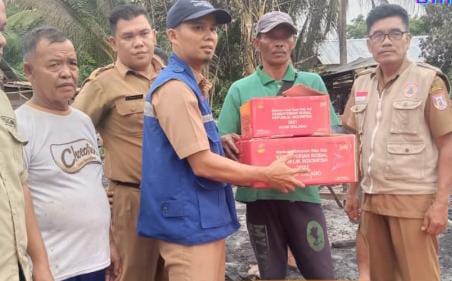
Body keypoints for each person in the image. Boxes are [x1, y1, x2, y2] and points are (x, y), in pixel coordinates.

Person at [138, 1, 307, 280]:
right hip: (188, 224)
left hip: (202, 219)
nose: (209, 35)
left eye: (213, 29)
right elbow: (202, 164)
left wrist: (221, 139)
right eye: (197, 27)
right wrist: (266, 174)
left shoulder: (193, 85)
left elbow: (193, 144)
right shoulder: (176, 89)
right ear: (172, 35)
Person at [218, 11, 338, 280]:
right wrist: (225, 140)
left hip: (304, 195)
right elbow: (223, 137)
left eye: (286, 36)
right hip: (261, 200)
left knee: (322, 273)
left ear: (293, 42)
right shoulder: (240, 89)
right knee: (272, 274)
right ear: (256, 41)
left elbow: (331, 133)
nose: (280, 42)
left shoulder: (312, 82)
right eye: (272, 36)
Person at [342, 4, 452, 281]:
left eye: (394, 33)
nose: (386, 41)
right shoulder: (361, 84)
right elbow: (353, 142)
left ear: (408, 38)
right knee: (380, 275)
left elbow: (447, 144)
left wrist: (441, 203)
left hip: (413, 200)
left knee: (419, 276)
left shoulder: (429, 81)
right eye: (378, 35)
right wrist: (351, 191)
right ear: (369, 43)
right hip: (372, 199)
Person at [73, 5, 166, 281]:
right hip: (132, 200)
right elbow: (72, 139)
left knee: (175, 273)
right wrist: (95, 193)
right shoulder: (102, 85)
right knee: (132, 274)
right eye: (128, 37)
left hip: (176, 198)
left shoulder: (173, 77)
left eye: (144, 33)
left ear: (155, 35)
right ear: (112, 42)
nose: (138, 42)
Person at [15, 26, 115, 281]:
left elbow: (91, 186)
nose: (67, 73)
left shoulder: (82, 121)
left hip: (95, 260)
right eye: (54, 65)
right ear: (29, 71)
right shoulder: (20, 126)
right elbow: (19, 201)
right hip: (57, 268)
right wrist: (40, 266)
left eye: (72, 63)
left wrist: (110, 243)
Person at [0, 1, 53, 280]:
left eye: (2, 28)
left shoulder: (2, 102)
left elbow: (18, 185)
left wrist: (40, 264)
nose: (2, 40)